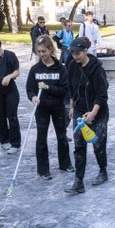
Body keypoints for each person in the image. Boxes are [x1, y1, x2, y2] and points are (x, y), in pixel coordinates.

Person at [63, 36, 109, 194]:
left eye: (77, 53)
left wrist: (94, 112)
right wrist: (71, 106)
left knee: (98, 145)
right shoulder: (71, 65)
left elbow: (102, 95)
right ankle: (78, 182)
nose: (75, 56)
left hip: (98, 111)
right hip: (79, 111)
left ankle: (103, 171)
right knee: (79, 146)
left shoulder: (97, 69)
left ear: (85, 51)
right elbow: (70, 87)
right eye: (72, 53)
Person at [26, 35, 71, 179]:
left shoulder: (60, 69)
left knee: (62, 136)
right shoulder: (35, 69)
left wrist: (48, 87)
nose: (41, 54)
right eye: (38, 52)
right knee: (41, 138)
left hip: (58, 107)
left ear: (50, 49)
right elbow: (29, 89)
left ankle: (65, 164)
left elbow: (64, 91)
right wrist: (33, 97)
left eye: (43, 51)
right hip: (42, 108)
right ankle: (43, 169)